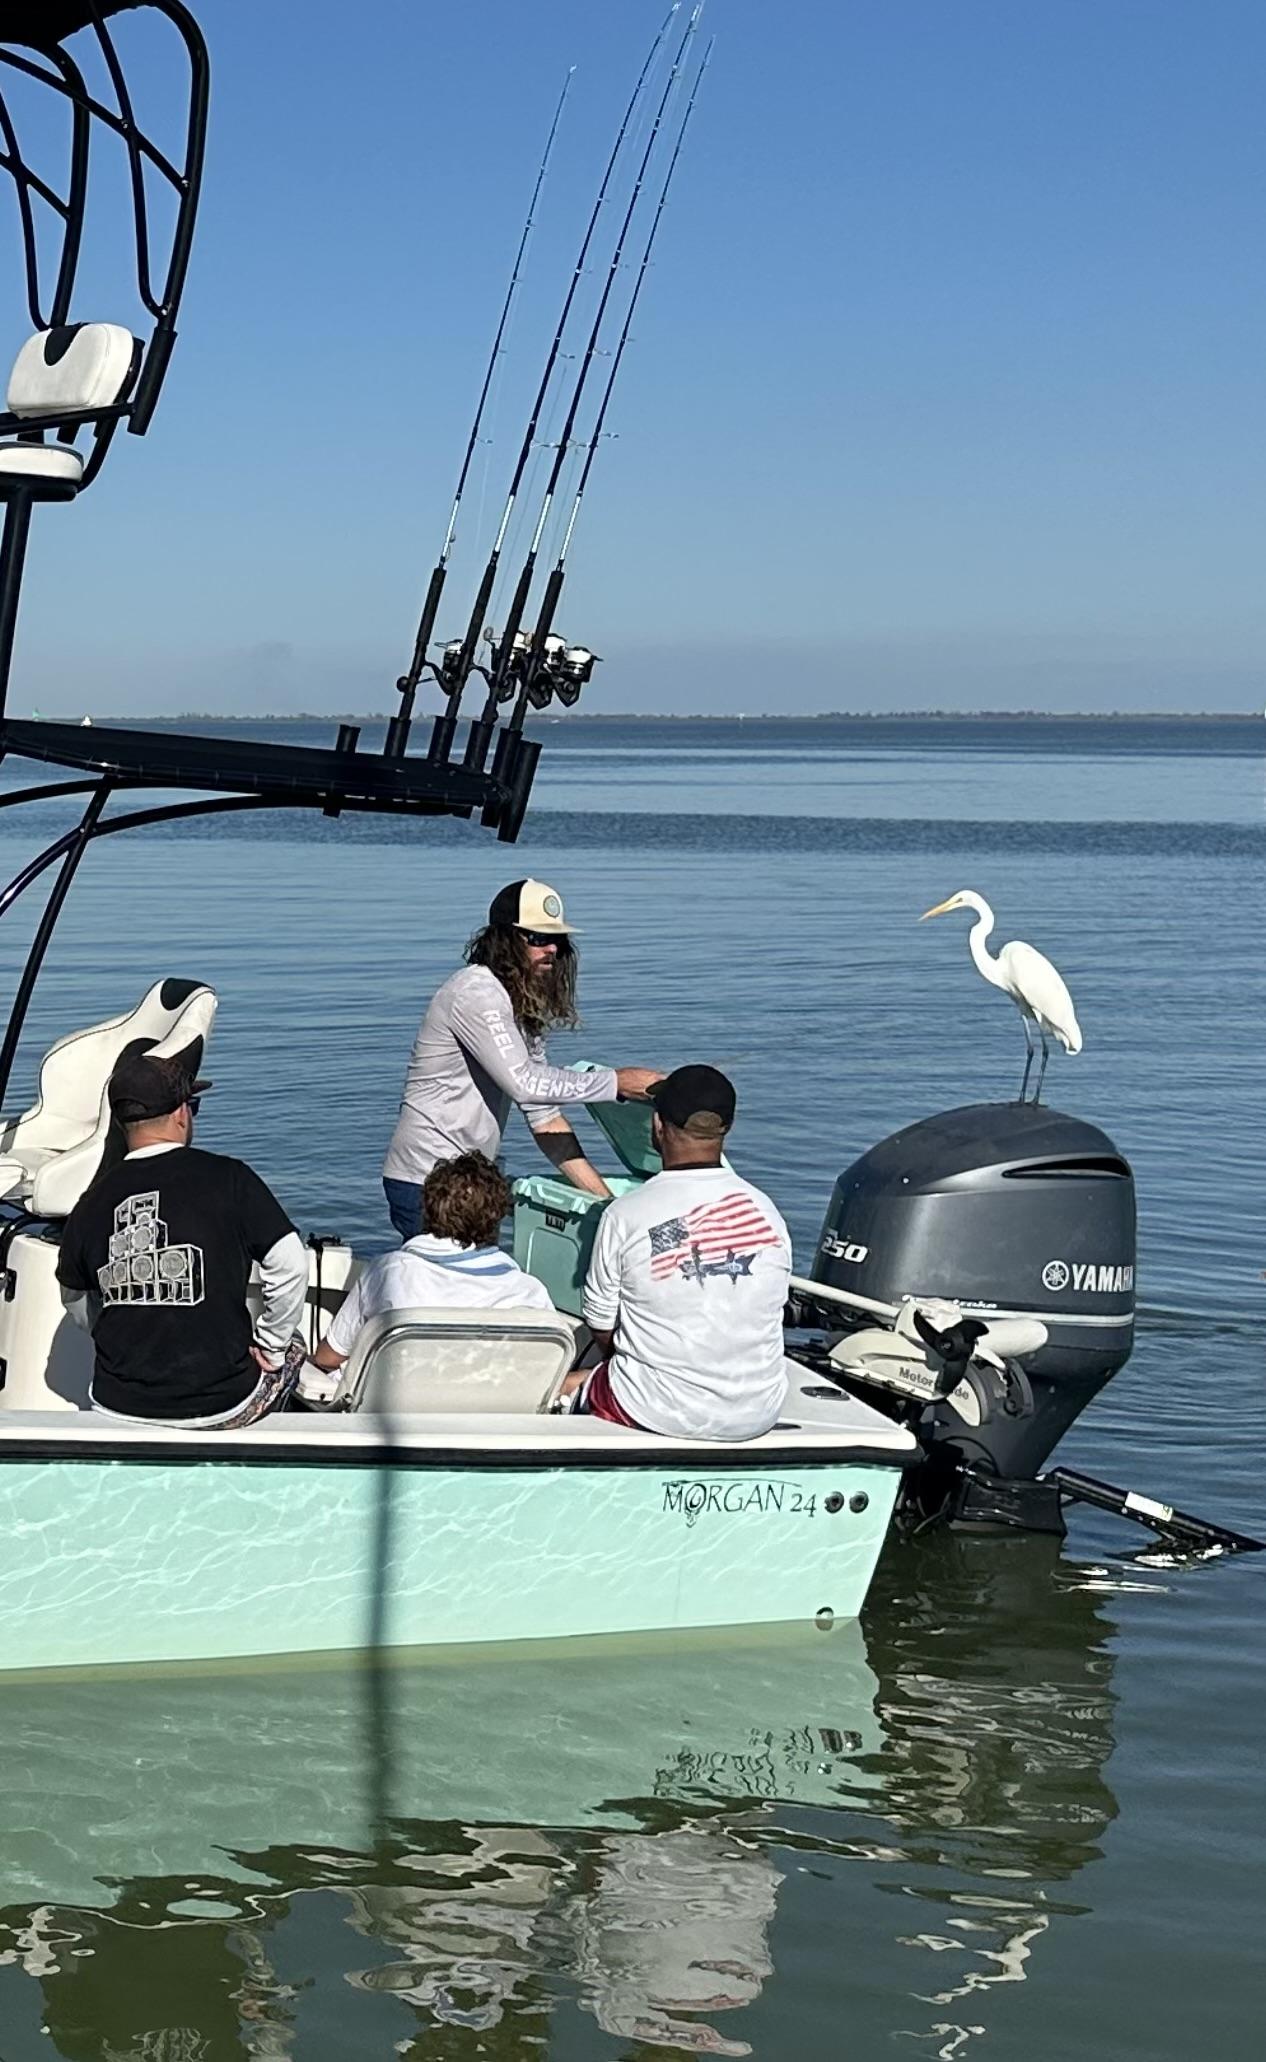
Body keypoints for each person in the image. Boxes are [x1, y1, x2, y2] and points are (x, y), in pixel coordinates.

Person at [381, 878, 661, 1239]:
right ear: (504, 940)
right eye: (538, 938)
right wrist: (616, 1083)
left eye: (557, 940)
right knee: (455, 1291)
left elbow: (543, 1115)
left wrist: (606, 1203)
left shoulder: (518, 1005)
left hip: (469, 1184)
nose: (552, 950)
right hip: (425, 1181)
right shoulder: (476, 993)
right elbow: (525, 1084)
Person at [57, 1044, 308, 1427]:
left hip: (117, 1404)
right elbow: (290, 1263)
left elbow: (74, 1299)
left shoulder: (89, 1203)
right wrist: (271, 1348)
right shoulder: (230, 1178)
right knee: (294, 1346)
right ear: (180, 1113)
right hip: (221, 1404)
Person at [574, 1065, 792, 1440]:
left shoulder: (626, 1214)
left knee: (568, 1384)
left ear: (658, 1125)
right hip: (757, 1413)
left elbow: (600, 1325)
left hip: (653, 1411)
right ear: (727, 1128)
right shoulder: (767, 1213)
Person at [311, 1151, 554, 1377]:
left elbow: (329, 1357)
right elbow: (544, 1370)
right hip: (496, 1412)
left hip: (398, 1412)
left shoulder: (388, 1273)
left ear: (428, 1207)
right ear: (497, 1216)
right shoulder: (529, 1291)